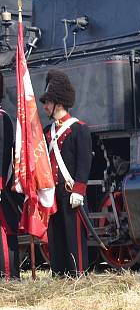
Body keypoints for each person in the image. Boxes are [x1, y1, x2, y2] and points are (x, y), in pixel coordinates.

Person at [41, 70, 92, 277]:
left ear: (58, 104)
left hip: (72, 192)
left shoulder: (79, 129)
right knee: (57, 237)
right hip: (54, 193)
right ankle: (59, 274)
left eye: (48, 102)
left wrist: (79, 189)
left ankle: (78, 275)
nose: (44, 106)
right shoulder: (47, 131)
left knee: (75, 236)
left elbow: (84, 162)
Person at [0, 74, 20, 279]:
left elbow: (2, 153)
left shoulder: (2, 118)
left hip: (0, 185)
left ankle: (8, 274)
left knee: (4, 229)